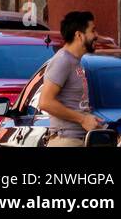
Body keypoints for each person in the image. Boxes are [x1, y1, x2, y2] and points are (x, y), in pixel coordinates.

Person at [39, 10, 103, 148]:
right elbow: (45, 102)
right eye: (93, 30)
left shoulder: (76, 62)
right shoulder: (62, 61)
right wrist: (83, 119)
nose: (96, 35)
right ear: (79, 35)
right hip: (66, 140)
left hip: (78, 139)